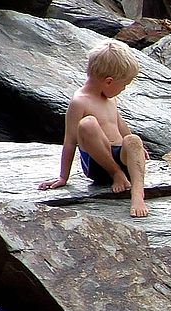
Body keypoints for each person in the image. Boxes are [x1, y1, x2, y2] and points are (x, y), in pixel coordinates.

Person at [39, 39, 150, 217]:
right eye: (123, 85)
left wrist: (137, 149)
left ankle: (138, 194)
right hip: (99, 164)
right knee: (88, 124)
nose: (123, 89)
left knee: (134, 140)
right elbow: (69, 142)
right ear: (108, 81)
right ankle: (116, 173)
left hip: (121, 156)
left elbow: (120, 125)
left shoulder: (110, 98)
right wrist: (63, 177)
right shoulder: (79, 102)